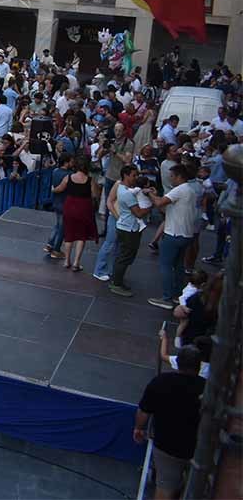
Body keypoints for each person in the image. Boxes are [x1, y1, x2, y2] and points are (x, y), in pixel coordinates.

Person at [134, 346, 205, 500]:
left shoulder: (160, 382)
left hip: (167, 447)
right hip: (198, 448)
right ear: (199, 366)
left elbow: (143, 411)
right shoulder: (206, 388)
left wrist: (139, 428)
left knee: (165, 486)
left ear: (177, 363)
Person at [146, 164, 199, 310]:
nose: (170, 179)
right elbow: (166, 206)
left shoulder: (179, 190)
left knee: (166, 265)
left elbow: (159, 203)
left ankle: (167, 297)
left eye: (172, 176)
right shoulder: (190, 190)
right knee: (178, 265)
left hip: (174, 233)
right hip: (186, 234)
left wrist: (149, 194)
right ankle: (177, 294)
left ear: (178, 176)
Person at [109, 166, 150, 298]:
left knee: (123, 255)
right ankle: (116, 283)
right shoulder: (127, 194)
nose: (136, 178)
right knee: (125, 257)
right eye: (134, 175)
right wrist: (150, 206)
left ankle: (117, 280)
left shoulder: (122, 188)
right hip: (129, 228)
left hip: (125, 226)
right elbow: (138, 213)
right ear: (126, 176)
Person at [53, 156, 98, 272]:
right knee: (81, 235)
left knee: (69, 234)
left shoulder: (68, 177)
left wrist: (52, 189)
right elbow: (95, 195)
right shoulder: (90, 180)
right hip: (84, 207)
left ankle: (67, 260)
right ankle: (76, 263)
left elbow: (59, 189)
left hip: (70, 206)